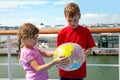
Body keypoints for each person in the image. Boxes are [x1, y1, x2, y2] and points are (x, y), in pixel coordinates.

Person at [56, 2, 96, 80]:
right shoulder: (62, 33)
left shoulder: (86, 31)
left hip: (79, 71)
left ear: (79, 16)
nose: (72, 23)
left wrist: (86, 53)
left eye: (75, 20)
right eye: (69, 21)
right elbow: (59, 51)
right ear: (65, 18)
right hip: (65, 71)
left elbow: (90, 49)